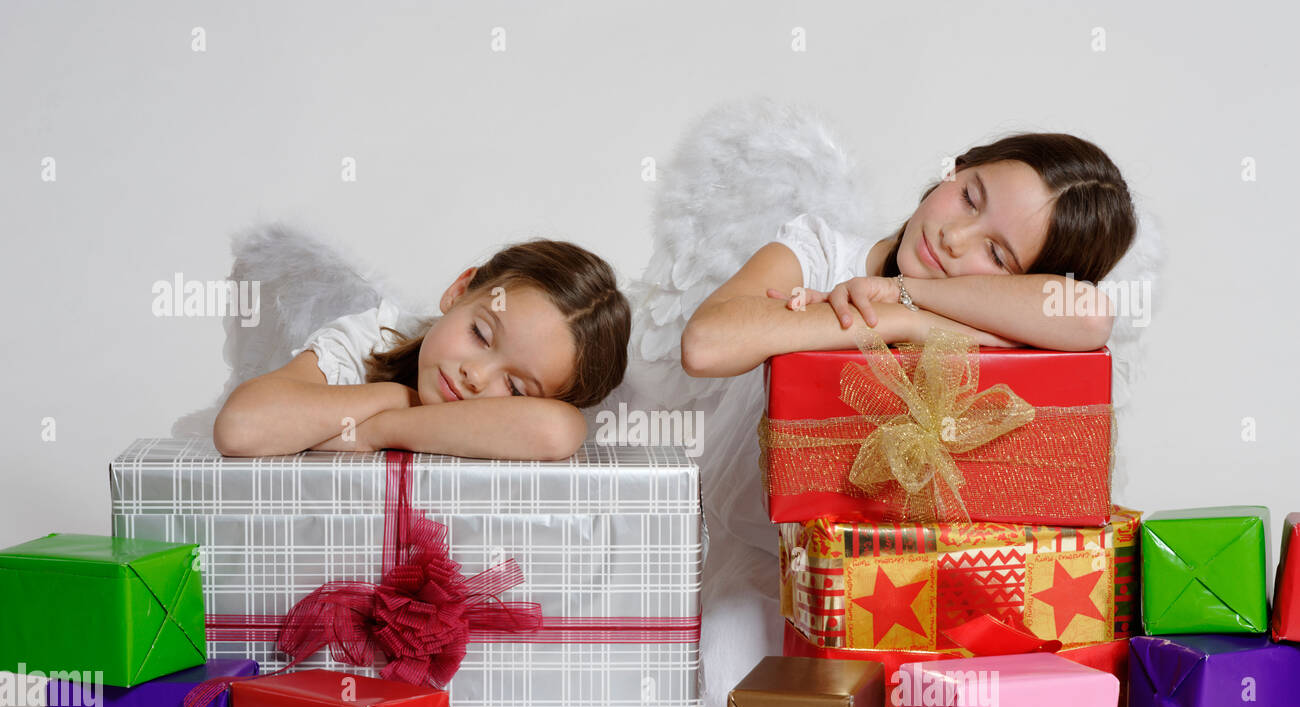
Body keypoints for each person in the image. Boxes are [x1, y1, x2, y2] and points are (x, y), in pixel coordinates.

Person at [680, 132, 1138, 377]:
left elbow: (1092, 315)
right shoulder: (819, 252)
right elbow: (705, 347)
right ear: (955, 169)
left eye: (998, 256)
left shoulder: (1025, 323)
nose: (954, 237)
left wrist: (904, 303)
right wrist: (902, 319)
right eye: (969, 198)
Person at [212, 239, 631, 459]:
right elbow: (240, 427)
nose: (476, 375)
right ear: (459, 291)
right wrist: (398, 397)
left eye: (517, 389)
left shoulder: (533, 427)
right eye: (481, 335)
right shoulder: (368, 339)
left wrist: (379, 431)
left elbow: (556, 431)